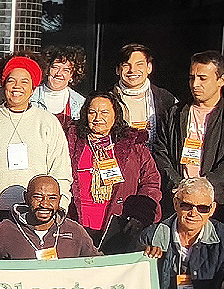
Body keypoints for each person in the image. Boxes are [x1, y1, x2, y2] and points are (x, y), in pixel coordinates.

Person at [152, 51, 224, 215]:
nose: (195, 84)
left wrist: (205, 187)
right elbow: (161, 153)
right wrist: (179, 185)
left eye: (203, 78)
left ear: (221, 80)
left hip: (217, 203)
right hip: (178, 199)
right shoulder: (174, 113)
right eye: (192, 78)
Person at [0, 55, 73, 224]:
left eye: (24, 82)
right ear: (3, 85)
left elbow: (61, 170)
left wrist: (59, 207)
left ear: (33, 88)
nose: (17, 87)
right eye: (11, 81)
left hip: (37, 212)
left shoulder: (47, 121)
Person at [68, 95, 163, 243]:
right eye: (92, 112)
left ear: (115, 115)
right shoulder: (72, 143)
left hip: (117, 229)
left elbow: (150, 182)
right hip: (77, 227)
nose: (97, 117)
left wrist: (139, 215)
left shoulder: (133, 146)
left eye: (104, 112)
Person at [0, 175, 99, 259]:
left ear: (59, 200)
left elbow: (100, 265)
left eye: (52, 198)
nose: (45, 204)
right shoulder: (4, 231)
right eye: (38, 197)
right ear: (26, 198)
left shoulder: (74, 231)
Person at [110, 43, 176, 139]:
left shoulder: (166, 98)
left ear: (149, 67)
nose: (132, 70)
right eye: (126, 65)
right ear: (117, 70)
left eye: (139, 64)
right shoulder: (107, 100)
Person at [30, 47, 87, 129]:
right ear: (47, 69)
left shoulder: (80, 103)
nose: (59, 73)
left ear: (72, 76)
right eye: (55, 67)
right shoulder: (30, 96)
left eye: (66, 70)